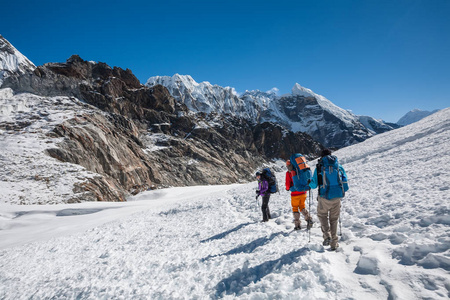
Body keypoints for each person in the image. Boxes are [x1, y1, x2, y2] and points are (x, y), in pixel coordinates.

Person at [309, 149, 348, 251]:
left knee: (322, 215)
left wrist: (309, 183)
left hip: (324, 197)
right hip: (337, 196)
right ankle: (334, 243)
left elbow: (313, 184)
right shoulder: (338, 166)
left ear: (321, 157)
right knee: (334, 219)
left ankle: (327, 236)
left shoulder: (319, 167)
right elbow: (345, 183)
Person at [285, 160, 313, 230]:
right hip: (303, 192)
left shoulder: (289, 173)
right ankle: (309, 219)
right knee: (302, 206)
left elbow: (287, 184)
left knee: (295, 208)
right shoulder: (300, 170)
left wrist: (288, 188)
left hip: (295, 194)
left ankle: (297, 225)